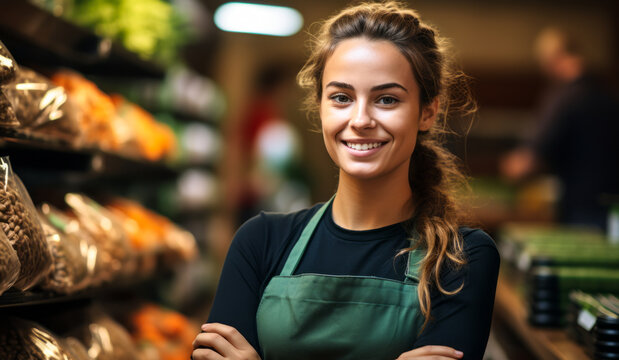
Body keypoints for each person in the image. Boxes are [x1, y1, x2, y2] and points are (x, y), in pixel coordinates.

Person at [192, 2, 500, 359]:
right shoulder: (258, 242)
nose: (360, 119)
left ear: (427, 111)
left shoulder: (461, 258)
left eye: (386, 99)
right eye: (341, 97)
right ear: (320, 106)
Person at [501, 27, 619, 229]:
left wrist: (510, 166)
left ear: (553, 58)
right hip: (611, 208)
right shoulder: (606, 93)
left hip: (581, 213)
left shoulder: (565, 98)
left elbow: (524, 164)